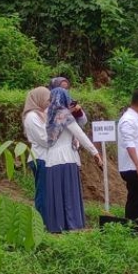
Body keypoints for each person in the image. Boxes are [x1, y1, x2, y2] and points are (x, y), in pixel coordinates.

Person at [41, 87, 102, 232]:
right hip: (66, 158)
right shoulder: (64, 115)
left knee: (56, 194)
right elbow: (80, 134)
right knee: (68, 194)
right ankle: (71, 223)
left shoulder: (47, 113)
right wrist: (95, 152)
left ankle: (56, 225)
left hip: (51, 159)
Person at [117, 90, 138, 232]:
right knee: (135, 199)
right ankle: (131, 229)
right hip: (133, 167)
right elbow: (129, 144)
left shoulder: (137, 119)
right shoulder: (128, 120)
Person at [22, 87, 51, 224]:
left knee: (47, 191)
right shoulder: (32, 116)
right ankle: (40, 222)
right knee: (43, 192)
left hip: (46, 157)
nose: (49, 102)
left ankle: (46, 220)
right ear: (38, 99)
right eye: (47, 99)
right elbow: (44, 139)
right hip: (39, 157)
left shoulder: (42, 114)